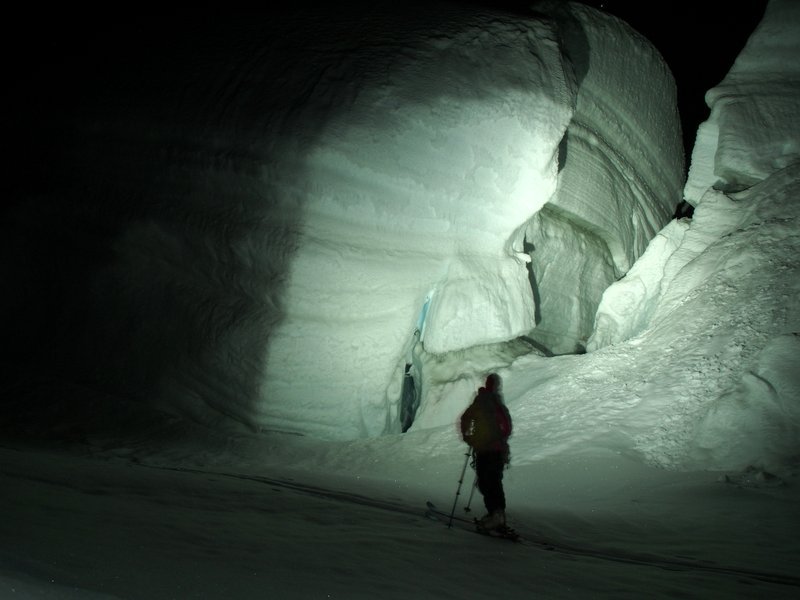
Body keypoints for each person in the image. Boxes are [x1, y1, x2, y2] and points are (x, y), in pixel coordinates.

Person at [459, 373, 512, 531]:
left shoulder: (480, 400)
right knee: (494, 481)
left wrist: (468, 437)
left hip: (483, 449)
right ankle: (498, 514)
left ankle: (495, 515)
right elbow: (507, 427)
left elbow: (465, 418)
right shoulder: (497, 403)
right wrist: (500, 440)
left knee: (486, 482)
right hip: (496, 450)